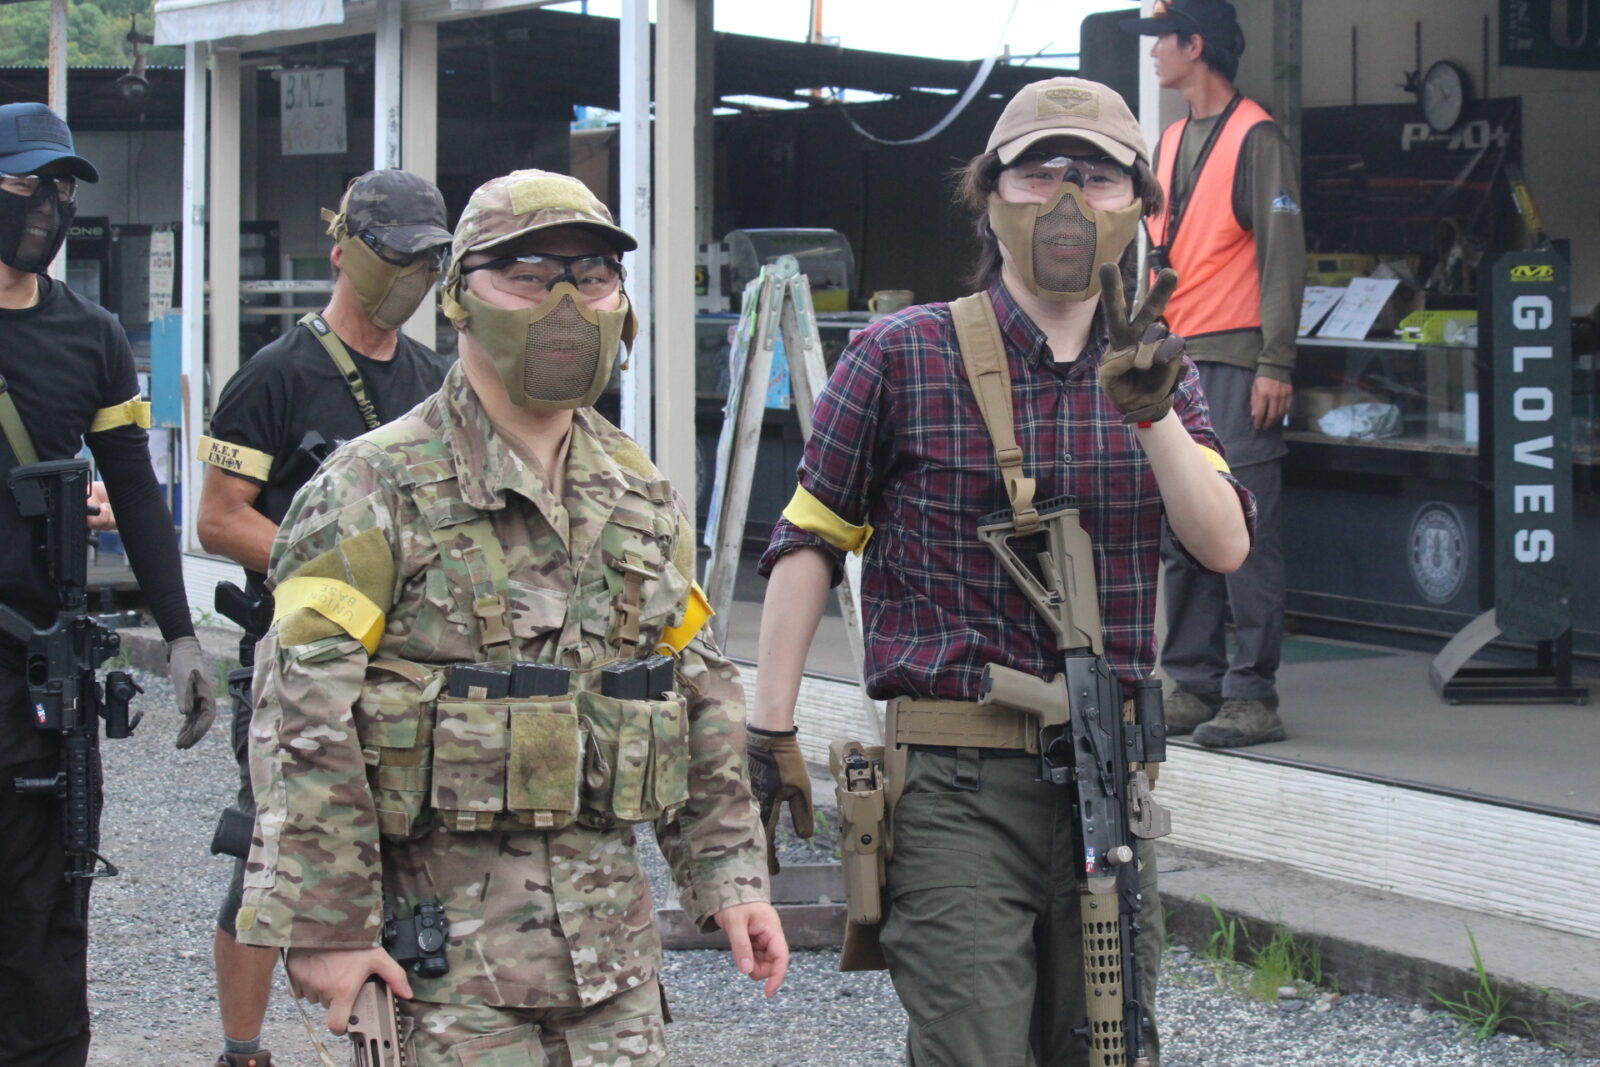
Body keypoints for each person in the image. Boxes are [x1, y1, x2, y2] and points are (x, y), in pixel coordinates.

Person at [749, 77, 1255, 1066]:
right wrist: (769, 728)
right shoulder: (901, 353)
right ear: (988, 195)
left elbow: (1223, 542)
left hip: (1106, 779)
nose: (1067, 200)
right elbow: (811, 536)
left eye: (1097, 177)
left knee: (1107, 1046)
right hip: (955, 781)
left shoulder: (1163, 369)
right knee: (972, 1046)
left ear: (1138, 207)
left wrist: (1151, 412)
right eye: (1039, 173)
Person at [233, 169, 787, 1065]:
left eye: (592, 276)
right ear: (459, 299)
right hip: (441, 974)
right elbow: (301, 717)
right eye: (528, 275)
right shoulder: (371, 487)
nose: (565, 303)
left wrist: (730, 876)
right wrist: (330, 928)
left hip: (613, 969)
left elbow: (699, 692)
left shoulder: (640, 493)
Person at [194, 168, 456, 1067]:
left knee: (413, 860)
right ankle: (242, 1049)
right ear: (342, 250)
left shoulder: (435, 378)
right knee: (269, 855)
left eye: (427, 262)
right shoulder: (274, 375)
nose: (411, 278)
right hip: (300, 663)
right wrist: (338, 574)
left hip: (408, 670)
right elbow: (218, 517)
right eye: (397, 257)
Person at [0, 101, 216, 1066]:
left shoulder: (89, 337)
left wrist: (180, 633)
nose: (47, 208)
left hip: (38, 673)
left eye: (62, 189)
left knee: (47, 915)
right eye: (27, 185)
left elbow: (134, 489)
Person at [1123, 0, 1306, 748]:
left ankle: (1253, 693)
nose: (1153, 54)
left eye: (1160, 41)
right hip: (1175, 356)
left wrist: (1276, 361)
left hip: (1235, 357)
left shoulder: (1257, 137)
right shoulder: (1169, 140)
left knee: (1245, 527)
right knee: (1182, 522)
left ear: (1194, 45)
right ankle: (1192, 681)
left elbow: (1283, 256)